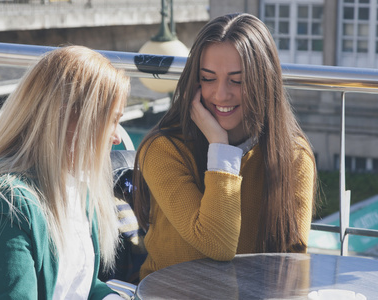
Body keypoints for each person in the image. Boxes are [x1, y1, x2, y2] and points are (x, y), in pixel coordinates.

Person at [133, 13, 317, 280]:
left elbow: (293, 263)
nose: (220, 94)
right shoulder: (164, 149)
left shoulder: (293, 156)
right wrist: (220, 147)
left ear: (263, 81)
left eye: (237, 80)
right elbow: (217, 244)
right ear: (194, 82)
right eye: (208, 78)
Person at [0, 46, 130, 299]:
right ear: (66, 118)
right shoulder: (0, 204)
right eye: (112, 120)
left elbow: (80, 286)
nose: (118, 137)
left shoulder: (79, 191)